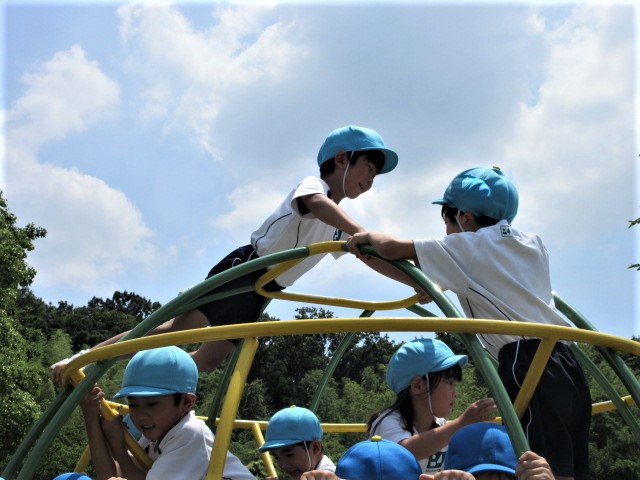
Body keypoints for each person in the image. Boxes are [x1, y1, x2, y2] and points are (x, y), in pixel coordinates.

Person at [52, 125, 401, 378]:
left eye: (375, 175)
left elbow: (368, 254)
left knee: (209, 359)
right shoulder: (315, 187)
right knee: (174, 330)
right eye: (368, 168)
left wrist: (410, 282)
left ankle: (155, 386)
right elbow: (316, 204)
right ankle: (85, 358)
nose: (371, 180)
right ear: (341, 159)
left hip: (264, 290)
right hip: (247, 268)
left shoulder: (340, 222)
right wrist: (360, 231)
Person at [346, 166, 591, 480]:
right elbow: (498, 283)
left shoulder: (467, 245)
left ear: (465, 217)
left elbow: (391, 248)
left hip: (526, 360)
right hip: (566, 358)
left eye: (447, 222)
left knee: (536, 459)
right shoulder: (533, 243)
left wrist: (367, 237)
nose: (448, 231)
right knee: (566, 462)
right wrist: (428, 282)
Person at [79, 346, 255, 480]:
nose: (140, 415)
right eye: (133, 404)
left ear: (186, 402)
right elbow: (114, 474)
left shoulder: (190, 433)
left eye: (152, 403)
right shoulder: (154, 436)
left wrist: (117, 443)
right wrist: (92, 420)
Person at [367, 338, 497, 475]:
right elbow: (403, 453)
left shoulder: (442, 426)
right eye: (449, 382)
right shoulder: (387, 422)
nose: (455, 393)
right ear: (418, 386)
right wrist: (461, 423)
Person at [258, 406, 335, 480]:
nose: (283, 465)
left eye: (289, 455)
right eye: (277, 457)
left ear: (315, 448)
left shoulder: (327, 476)